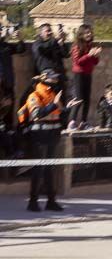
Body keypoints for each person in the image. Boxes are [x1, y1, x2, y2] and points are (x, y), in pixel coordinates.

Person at [17, 71, 64, 212]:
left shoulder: (51, 94)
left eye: (56, 78)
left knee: (49, 169)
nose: (55, 80)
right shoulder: (34, 95)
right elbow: (37, 115)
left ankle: (51, 201)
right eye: (52, 77)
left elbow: (58, 113)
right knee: (38, 169)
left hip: (52, 135)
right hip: (39, 135)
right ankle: (33, 202)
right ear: (44, 79)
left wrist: (69, 108)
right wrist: (54, 105)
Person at [0, 25, 26, 96]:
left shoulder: (5, 45)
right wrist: (2, 37)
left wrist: (20, 38)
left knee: (10, 104)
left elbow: (21, 49)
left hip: (8, 82)